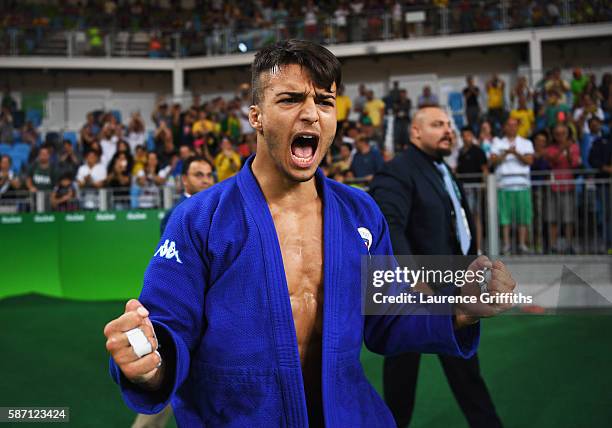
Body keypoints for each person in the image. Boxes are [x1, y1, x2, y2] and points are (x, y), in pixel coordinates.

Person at [104, 40, 515, 427]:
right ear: (256, 117)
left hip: (348, 415)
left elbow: (387, 315)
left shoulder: (361, 212)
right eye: (290, 99)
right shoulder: (199, 218)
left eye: (324, 101)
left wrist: (457, 311)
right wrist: (149, 366)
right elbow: (167, 328)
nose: (311, 113)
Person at [370, 107, 503, 428]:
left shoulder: (443, 168)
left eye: (449, 124)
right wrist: (412, 283)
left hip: (454, 289)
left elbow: (454, 226)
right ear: (415, 132)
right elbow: (388, 225)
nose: (448, 130)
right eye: (438, 125)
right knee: (401, 382)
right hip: (415, 296)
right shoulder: (398, 170)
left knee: (466, 374)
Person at [490, 117, 535, 254]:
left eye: (514, 125)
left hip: (522, 185)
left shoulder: (525, 143)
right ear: (504, 127)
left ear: (518, 127)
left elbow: (529, 160)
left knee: (523, 216)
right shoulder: (497, 142)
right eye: (509, 125)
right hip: (504, 185)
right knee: (505, 218)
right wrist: (506, 153)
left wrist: (515, 153)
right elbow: (493, 161)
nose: (512, 128)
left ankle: (522, 244)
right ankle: (507, 245)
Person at [159, 156, 215, 235]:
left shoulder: (219, 209)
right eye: (199, 175)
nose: (206, 180)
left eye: (209, 175)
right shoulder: (175, 215)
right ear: (184, 179)